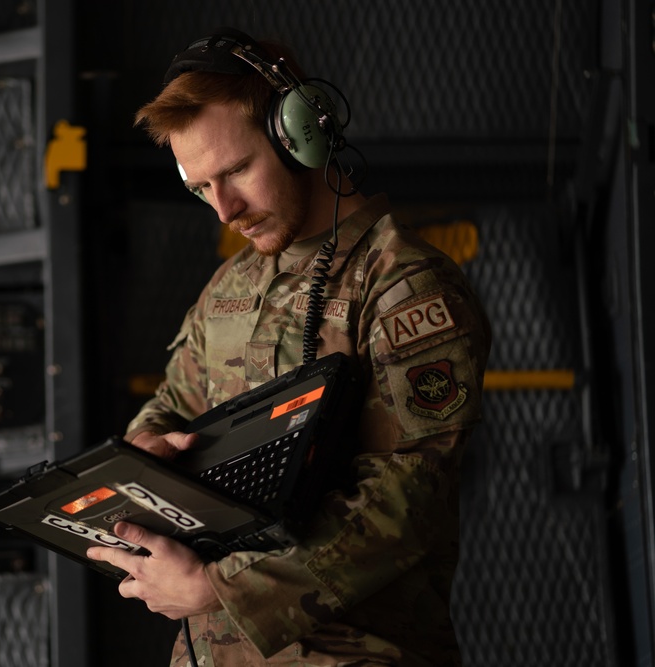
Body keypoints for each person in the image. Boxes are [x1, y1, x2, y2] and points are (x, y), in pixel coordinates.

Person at [87, 28, 492, 666]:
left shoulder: (403, 287)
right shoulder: (232, 284)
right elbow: (170, 403)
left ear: (303, 133)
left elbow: (408, 500)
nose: (223, 210)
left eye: (236, 171)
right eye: (200, 189)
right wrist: (147, 450)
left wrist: (217, 587)